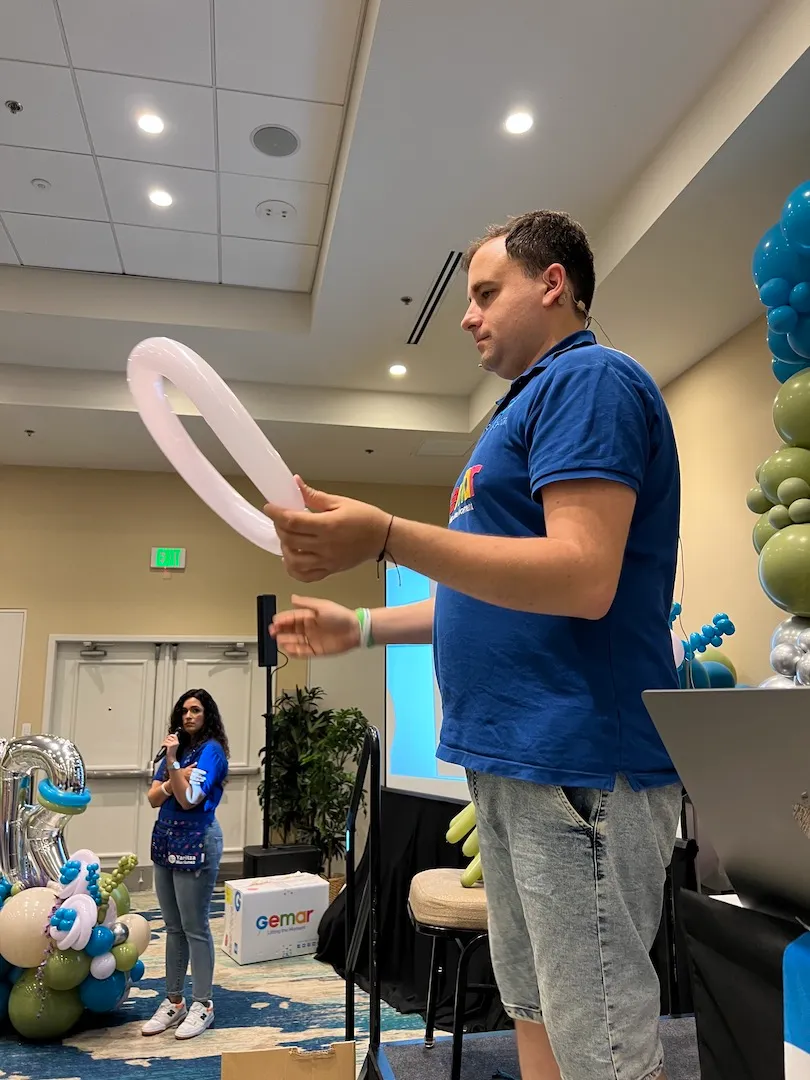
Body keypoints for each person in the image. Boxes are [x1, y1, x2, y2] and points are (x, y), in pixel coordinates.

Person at [265, 210, 682, 1080]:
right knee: (532, 1007)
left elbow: (582, 575)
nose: (466, 315)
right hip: (511, 761)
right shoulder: (513, 413)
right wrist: (363, 626)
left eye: (487, 292)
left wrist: (387, 536)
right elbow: (489, 596)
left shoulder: (591, 379)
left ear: (554, 284)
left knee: (601, 1044)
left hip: (578, 763)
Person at [142, 688, 229, 1040]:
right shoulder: (174, 749)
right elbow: (153, 798)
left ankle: (203, 1004)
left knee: (195, 926)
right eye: (184, 711)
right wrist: (174, 771)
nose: (188, 716)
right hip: (165, 838)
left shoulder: (212, 751)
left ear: (208, 715)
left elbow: (189, 798)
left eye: (196, 710)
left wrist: (173, 769)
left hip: (197, 839)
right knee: (173, 926)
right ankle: (174, 1000)